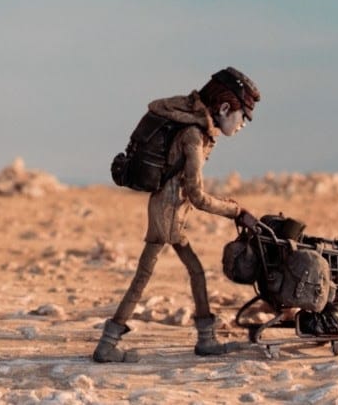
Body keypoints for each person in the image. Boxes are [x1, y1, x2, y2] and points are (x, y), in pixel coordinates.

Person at [93, 67, 262, 363]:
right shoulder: (193, 137)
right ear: (224, 108)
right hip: (168, 214)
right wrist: (235, 211)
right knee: (148, 275)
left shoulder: (196, 131)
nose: (243, 125)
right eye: (243, 117)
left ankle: (203, 339)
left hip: (169, 210)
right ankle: (108, 344)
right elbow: (196, 195)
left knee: (177, 272)